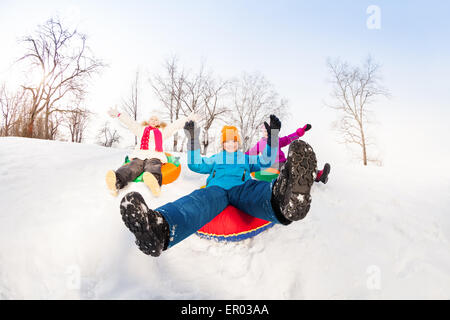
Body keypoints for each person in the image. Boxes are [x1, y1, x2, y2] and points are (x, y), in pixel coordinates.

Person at [118, 115, 318, 257]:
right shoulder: (216, 158)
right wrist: (193, 139)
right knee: (197, 202)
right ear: (222, 144)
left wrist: (273, 136)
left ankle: (286, 198)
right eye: (227, 141)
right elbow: (196, 164)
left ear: (237, 143)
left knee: (258, 192)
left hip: (242, 187)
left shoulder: (245, 157)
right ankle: (158, 229)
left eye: (233, 141)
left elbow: (265, 161)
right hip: (217, 190)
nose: (230, 144)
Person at [105, 107, 197, 197]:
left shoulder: (162, 132)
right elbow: (130, 123)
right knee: (132, 167)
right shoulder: (141, 130)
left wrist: (187, 119)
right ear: (148, 120)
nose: (153, 121)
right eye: (152, 119)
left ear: (159, 122)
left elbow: (174, 126)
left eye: (156, 119)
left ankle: (154, 183)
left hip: (155, 156)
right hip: (140, 155)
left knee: (152, 166)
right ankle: (116, 181)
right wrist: (118, 114)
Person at [246, 122, 331, 184]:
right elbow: (248, 155)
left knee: (298, 164)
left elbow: (289, 138)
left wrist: (301, 131)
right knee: (291, 169)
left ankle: (319, 175)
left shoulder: (277, 140)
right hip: (272, 166)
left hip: (284, 162)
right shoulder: (260, 144)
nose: (268, 133)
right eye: (265, 131)